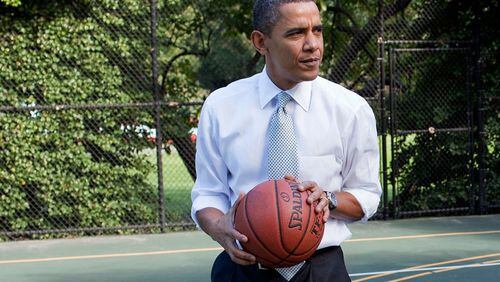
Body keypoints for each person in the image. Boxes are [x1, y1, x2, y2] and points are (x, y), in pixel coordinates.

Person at [191, 0, 382, 281]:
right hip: (243, 268)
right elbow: (208, 193)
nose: (313, 45)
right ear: (260, 41)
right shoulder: (221, 106)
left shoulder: (350, 109)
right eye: (296, 34)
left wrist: (328, 199)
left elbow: (367, 194)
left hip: (321, 269)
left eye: (317, 31)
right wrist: (218, 226)